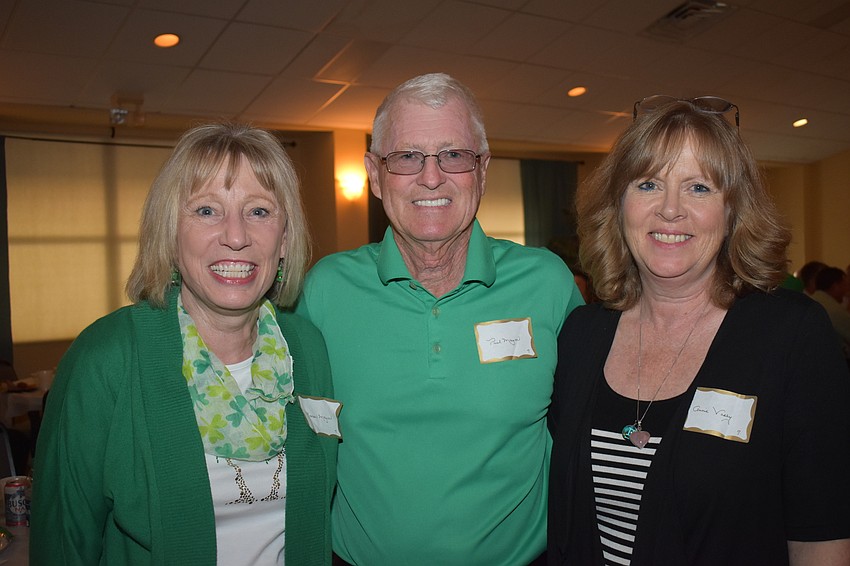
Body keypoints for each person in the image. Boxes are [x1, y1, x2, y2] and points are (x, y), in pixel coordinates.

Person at [548, 95, 850, 565]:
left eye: (699, 188)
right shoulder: (581, 335)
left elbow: (821, 536)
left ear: (733, 212)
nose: (671, 210)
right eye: (648, 184)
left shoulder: (791, 335)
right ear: (619, 204)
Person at [296, 73, 584, 565]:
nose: (431, 177)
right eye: (407, 156)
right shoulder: (326, 291)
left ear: (483, 170)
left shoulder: (547, 284)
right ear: (374, 172)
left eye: (454, 155)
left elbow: (586, 434)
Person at [30, 123, 339, 565]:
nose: (236, 236)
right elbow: (63, 541)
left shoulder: (306, 349)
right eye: (207, 210)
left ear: (285, 239)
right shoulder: (106, 357)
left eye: (259, 211)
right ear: (170, 235)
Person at [811, 266, 850, 360]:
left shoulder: (813, 300)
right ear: (835, 286)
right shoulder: (833, 309)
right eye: (845, 284)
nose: (847, 289)